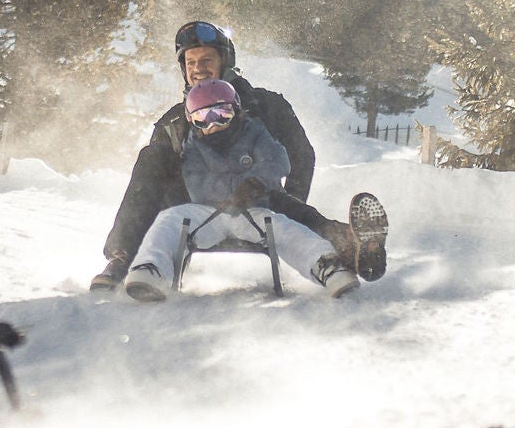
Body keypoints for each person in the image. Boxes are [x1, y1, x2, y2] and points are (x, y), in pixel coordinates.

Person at [90, 20, 387, 290]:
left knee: (284, 204)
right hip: (194, 207)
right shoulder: (175, 121)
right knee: (151, 157)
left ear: (225, 61)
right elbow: (149, 183)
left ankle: (350, 247)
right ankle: (124, 258)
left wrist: (289, 203)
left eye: (207, 59)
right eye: (190, 62)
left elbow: (301, 156)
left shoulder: (267, 105)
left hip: (257, 199)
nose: (198, 68)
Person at [123, 79, 357, 301]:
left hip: (252, 209)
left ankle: (327, 266)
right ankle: (151, 268)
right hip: (207, 213)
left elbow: (277, 161)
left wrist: (255, 183)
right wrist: (233, 189)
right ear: (192, 121)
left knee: (283, 227)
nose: (213, 124)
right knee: (169, 219)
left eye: (221, 114)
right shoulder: (193, 147)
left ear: (236, 111)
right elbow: (197, 184)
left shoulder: (254, 132)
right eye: (203, 118)